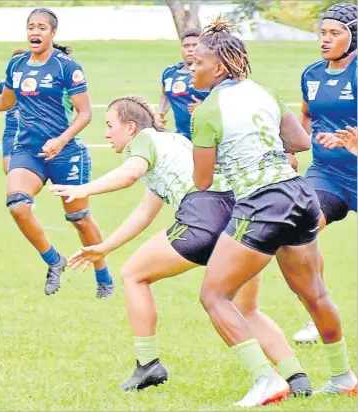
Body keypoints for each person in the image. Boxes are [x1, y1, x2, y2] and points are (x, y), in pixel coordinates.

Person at [50, 96, 311, 396]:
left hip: (204, 216)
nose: (107, 134)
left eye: (110, 126)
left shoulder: (143, 142)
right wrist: (105, 247)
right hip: (242, 217)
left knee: (134, 274)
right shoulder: (172, 144)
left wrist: (83, 188)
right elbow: (144, 213)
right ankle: (297, 378)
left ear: (131, 128)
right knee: (246, 308)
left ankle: (149, 364)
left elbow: (128, 174)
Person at [191, 17, 356, 406]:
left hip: (263, 202)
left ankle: (266, 380)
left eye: (197, 62)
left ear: (218, 67)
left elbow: (201, 181)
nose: (191, 68)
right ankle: (343, 376)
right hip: (299, 194)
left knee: (215, 296)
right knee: (314, 293)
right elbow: (298, 142)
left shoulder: (207, 111)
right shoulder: (262, 91)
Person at [0, 8, 114, 298]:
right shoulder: (17, 65)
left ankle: (104, 279)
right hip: (27, 151)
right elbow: (4, 101)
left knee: (79, 219)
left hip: (66, 154)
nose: (35, 33)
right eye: (31, 28)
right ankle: (54, 260)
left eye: (41, 28)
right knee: (17, 205)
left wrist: (61, 140)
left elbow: (85, 113)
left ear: (53, 33)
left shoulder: (67, 67)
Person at [292, 2, 357, 345]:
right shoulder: (312, 74)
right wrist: (292, 149)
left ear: (353, 35)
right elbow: (305, 117)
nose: (325, 39)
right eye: (323, 32)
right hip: (328, 173)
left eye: (335, 33)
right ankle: (317, 316)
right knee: (302, 225)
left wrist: (353, 138)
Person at [158, 29, 208, 139]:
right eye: (186, 46)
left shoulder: (211, 72)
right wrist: (160, 114)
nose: (190, 49)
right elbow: (166, 94)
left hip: (208, 136)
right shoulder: (170, 73)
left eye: (195, 45)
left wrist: (204, 108)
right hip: (182, 137)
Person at [0, 50, 24, 174]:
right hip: (11, 130)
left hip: (28, 130)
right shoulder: (4, 84)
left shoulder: (32, 83)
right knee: (7, 169)